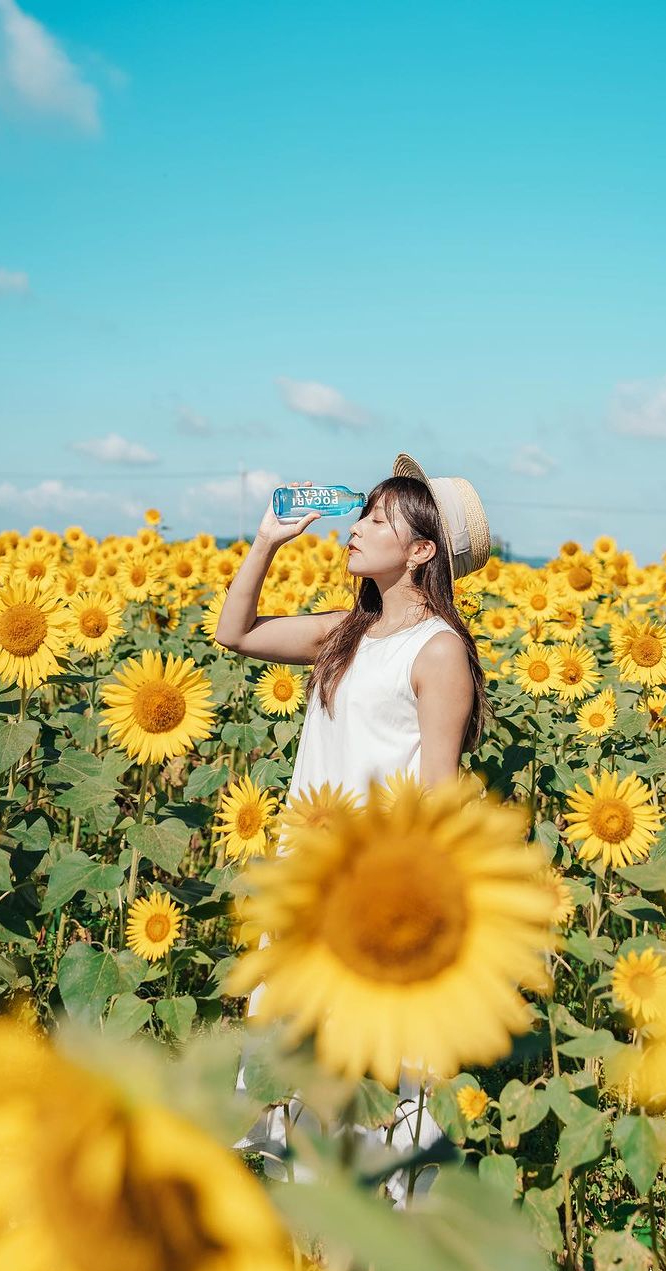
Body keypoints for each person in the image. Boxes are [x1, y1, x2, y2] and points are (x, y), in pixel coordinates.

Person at [215, 453, 493, 1209]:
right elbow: (233, 633)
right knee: (299, 1096)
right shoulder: (349, 632)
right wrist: (268, 541)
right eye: (363, 511)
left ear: (422, 551)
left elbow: (440, 794)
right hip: (307, 881)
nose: (357, 527)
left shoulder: (436, 650)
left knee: (360, 1107)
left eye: (379, 518)